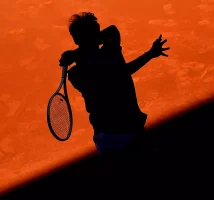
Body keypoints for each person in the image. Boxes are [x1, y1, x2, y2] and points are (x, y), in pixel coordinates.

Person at [59, 12, 170, 158]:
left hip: (107, 139)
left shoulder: (75, 75)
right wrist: (149, 54)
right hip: (130, 133)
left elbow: (120, 71)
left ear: (75, 39)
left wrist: (76, 53)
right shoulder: (110, 52)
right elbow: (112, 32)